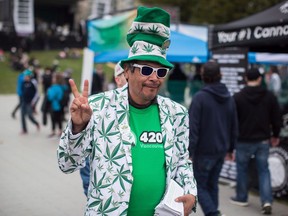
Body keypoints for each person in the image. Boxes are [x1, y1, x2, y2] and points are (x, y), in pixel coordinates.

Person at [58, 6, 197, 216]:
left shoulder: (177, 114)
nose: (154, 77)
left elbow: (182, 161)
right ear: (128, 71)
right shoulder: (98, 108)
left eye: (161, 71)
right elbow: (67, 164)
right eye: (147, 69)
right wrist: (78, 127)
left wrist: (191, 192)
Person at [188, 60, 238, 216]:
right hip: (220, 150)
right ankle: (214, 212)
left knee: (199, 186)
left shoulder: (199, 98)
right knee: (212, 185)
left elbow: (193, 128)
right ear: (220, 75)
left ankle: (213, 213)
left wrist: (189, 151)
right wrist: (230, 148)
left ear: (203, 76)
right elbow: (233, 125)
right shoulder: (229, 98)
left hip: (203, 151)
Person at [230, 68, 282, 215]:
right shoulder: (269, 96)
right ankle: (266, 201)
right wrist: (276, 135)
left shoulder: (238, 97)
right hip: (263, 140)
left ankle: (241, 197)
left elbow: (233, 122)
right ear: (260, 79)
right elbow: (276, 119)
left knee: (242, 170)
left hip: (243, 140)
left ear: (246, 78)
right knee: (264, 171)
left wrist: (231, 142)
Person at [79, 60, 127, 197]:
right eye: (126, 74)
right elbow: (83, 154)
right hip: (105, 196)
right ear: (118, 79)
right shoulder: (100, 107)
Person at [20, 69, 40, 134]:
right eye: (24, 76)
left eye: (26, 76)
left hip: (30, 102)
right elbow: (23, 91)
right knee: (22, 115)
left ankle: (36, 123)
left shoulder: (33, 82)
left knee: (29, 116)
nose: (25, 77)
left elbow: (37, 93)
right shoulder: (23, 82)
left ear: (29, 76)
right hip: (24, 101)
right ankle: (24, 129)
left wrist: (33, 102)